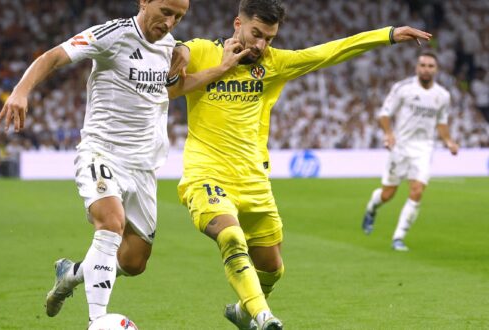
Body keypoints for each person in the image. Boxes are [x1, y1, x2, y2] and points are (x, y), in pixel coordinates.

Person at [171, 0, 433, 328]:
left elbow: (331, 51)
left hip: (253, 179)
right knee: (231, 237)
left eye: (270, 38)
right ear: (237, 23)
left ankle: (242, 310)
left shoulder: (274, 63)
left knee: (273, 268)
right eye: (256, 34)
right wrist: (176, 47)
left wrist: (389, 34)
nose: (262, 45)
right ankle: (263, 317)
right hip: (206, 173)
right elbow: (166, 78)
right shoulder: (200, 51)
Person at [0, 0, 250, 327]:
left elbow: (171, 90)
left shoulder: (169, 46)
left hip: (143, 167)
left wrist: (221, 69)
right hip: (101, 152)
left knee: (133, 261)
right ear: (145, 1)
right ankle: (97, 321)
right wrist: (21, 90)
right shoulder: (113, 35)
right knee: (111, 222)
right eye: (166, 12)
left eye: (178, 17)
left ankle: (71, 274)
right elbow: (53, 56)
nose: (170, 22)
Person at [361, 52, 459, 251]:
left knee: (417, 190)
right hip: (400, 146)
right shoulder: (402, 88)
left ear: (436, 69)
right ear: (416, 67)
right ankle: (372, 208)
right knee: (388, 193)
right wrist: (389, 133)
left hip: (424, 148)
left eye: (430, 65)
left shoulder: (442, 96)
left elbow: (441, 122)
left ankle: (398, 237)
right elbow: (384, 114)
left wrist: (449, 141)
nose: (426, 68)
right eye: (422, 64)